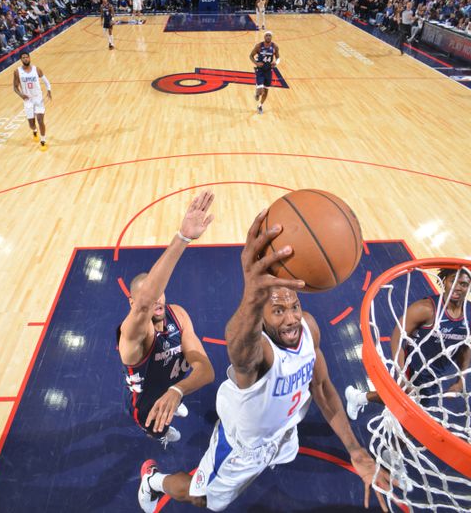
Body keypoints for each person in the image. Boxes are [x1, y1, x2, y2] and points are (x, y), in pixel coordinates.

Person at [137, 209, 392, 512]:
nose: (290, 319)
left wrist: (355, 450)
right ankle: (154, 481)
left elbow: (321, 388)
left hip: (282, 436)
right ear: (262, 318)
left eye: (293, 306)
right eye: (278, 311)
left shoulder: (308, 327)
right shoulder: (259, 352)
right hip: (239, 449)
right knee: (200, 497)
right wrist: (252, 292)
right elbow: (238, 345)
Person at [118, 191, 216, 446]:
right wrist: (182, 238)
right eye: (150, 296)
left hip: (171, 388)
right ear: (133, 302)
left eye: (161, 292)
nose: (158, 300)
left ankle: (173, 397)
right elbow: (144, 304)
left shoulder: (178, 314)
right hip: (148, 405)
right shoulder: (133, 336)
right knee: (157, 430)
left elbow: (206, 371)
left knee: (174, 390)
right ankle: (160, 436)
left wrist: (177, 390)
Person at [345, 268, 471, 417]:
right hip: (413, 368)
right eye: (453, 281)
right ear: (444, 281)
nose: (457, 287)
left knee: (403, 399)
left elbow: (465, 347)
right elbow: (397, 338)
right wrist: (402, 374)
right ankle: (359, 398)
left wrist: (461, 379)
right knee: (413, 411)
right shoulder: (425, 309)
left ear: (470, 287)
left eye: (463, 284)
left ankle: (358, 397)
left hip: (436, 373)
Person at [13, 52, 52, 151]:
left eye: (27, 57)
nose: (25, 59)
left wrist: (49, 90)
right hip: (28, 100)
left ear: (29, 58)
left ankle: (43, 141)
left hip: (38, 98)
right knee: (31, 124)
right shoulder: (17, 72)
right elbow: (15, 87)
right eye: (23, 58)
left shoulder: (36, 69)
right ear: (21, 60)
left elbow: (46, 81)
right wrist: (21, 95)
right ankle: (34, 131)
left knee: (40, 120)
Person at [249, 30, 279, 115]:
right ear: (264, 37)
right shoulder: (259, 46)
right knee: (261, 89)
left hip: (269, 70)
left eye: (270, 35)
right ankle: (257, 93)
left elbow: (278, 57)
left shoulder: (275, 47)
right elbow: (251, 56)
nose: (268, 37)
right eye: (267, 35)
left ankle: (260, 106)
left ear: (271, 37)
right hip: (260, 70)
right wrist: (256, 63)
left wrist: (276, 63)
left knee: (266, 91)